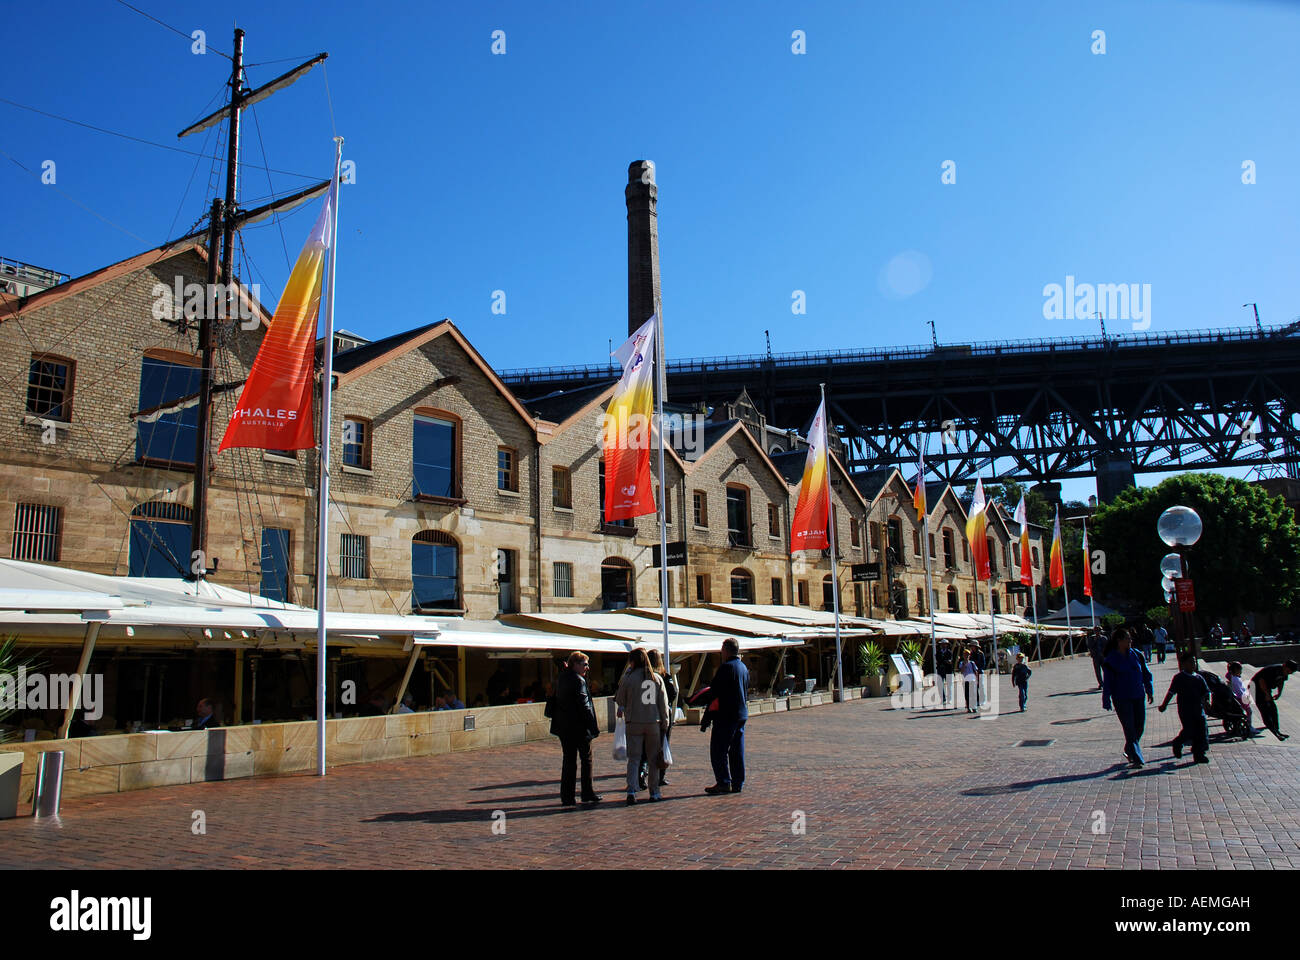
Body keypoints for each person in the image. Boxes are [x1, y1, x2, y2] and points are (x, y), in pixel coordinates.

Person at [615, 648, 669, 805]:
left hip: (634, 721)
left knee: (634, 758)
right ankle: (654, 791)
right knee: (653, 759)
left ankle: (632, 789)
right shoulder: (656, 678)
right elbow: (663, 704)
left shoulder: (629, 678)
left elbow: (620, 699)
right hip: (653, 721)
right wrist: (664, 722)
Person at [549, 651, 602, 807]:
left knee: (569, 761)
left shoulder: (561, 678)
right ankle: (587, 792)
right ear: (575, 664)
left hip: (564, 727)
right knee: (586, 759)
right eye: (585, 664)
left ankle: (567, 796)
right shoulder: (579, 681)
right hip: (579, 727)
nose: (587, 667)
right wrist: (593, 726)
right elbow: (585, 706)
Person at [1102, 627, 1154, 767]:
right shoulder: (1111, 659)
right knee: (1129, 728)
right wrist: (1106, 699)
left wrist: (1149, 689)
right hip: (1121, 698)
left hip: (1138, 695)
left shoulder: (1137, 654)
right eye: (1127, 638)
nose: (1130, 640)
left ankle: (1129, 749)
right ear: (1119, 641)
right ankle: (1137, 758)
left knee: (1139, 726)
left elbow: (1146, 673)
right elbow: (1108, 681)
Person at [703, 637, 749, 795]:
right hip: (741, 713)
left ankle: (723, 781)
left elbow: (714, 692)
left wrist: (707, 715)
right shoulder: (743, 667)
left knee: (718, 750)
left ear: (726, 650)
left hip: (726, 715)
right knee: (737, 750)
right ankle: (738, 782)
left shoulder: (726, 668)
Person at [1158, 652, 1211, 763]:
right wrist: (1164, 705)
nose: (1193, 664)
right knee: (1189, 730)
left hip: (1198, 710)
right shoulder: (1179, 678)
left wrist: (1207, 702)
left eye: (1195, 662)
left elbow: (1206, 693)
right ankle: (1178, 743)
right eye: (1190, 662)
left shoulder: (1199, 678)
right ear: (1183, 664)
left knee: (1202, 731)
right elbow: (1171, 692)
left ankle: (1199, 754)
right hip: (1185, 710)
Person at [638, 648, 677, 791]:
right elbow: (672, 693)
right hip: (661, 715)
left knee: (643, 748)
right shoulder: (664, 676)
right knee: (661, 746)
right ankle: (660, 776)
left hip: (644, 715)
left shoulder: (642, 676)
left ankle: (641, 774)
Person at [1250, 659, 1298, 742]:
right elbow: (1261, 681)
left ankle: (1277, 731)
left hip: (1266, 689)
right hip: (1255, 688)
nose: (1289, 673)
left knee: (1273, 710)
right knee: (1265, 711)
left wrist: (1279, 693)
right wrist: (1266, 694)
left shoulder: (1284, 672)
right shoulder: (1273, 669)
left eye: (1291, 672)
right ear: (1284, 666)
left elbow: (1281, 682)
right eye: (1288, 671)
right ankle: (1273, 733)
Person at [1225, 661, 1256, 736]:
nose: (1241, 672)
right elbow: (1239, 691)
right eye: (1240, 670)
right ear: (1236, 670)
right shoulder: (1236, 679)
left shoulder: (1233, 677)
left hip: (1238, 698)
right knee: (1249, 711)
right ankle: (1249, 726)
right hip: (1240, 698)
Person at [959, 649, 981, 714]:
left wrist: (977, 680)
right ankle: (969, 707)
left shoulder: (972, 663)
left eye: (967, 655)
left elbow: (975, 671)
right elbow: (961, 671)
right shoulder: (961, 663)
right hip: (966, 680)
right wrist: (964, 664)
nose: (966, 656)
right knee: (967, 694)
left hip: (972, 680)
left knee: (973, 694)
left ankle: (974, 707)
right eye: (965, 655)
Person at [934, 639, 953, 708]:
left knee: (949, 685)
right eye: (942, 644)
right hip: (940, 670)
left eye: (944, 644)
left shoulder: (949, 652)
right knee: (940, 685)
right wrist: (945, 661)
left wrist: (944, 662)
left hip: (948, 670)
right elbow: (939, 660)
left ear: (947, 645)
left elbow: (949, 661)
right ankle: (943, 698)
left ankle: (949, 699)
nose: (943, 645)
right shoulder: (938, 653)